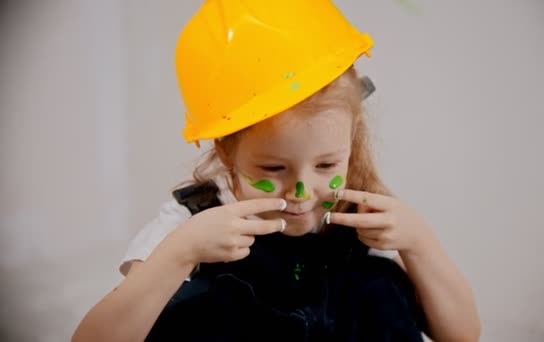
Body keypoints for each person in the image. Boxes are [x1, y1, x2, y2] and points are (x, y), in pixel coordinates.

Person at [73, 0, 480, 341]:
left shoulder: (367, 221)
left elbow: (462, 335)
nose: (302, 190)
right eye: (273, 167)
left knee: (377, 284)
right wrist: (180, 253)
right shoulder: (192, 222)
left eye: (326, 164)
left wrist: (420, 244)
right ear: (226, 150)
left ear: (352, 137)